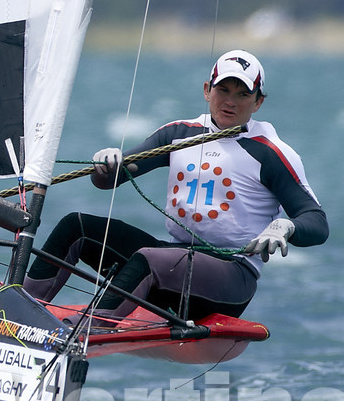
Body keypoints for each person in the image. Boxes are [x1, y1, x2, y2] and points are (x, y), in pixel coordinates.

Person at [21, 49, 327, 322]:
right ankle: (16, 309)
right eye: (223, 89)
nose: (230, 101)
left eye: (243, 94)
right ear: (207, 90)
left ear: (258, 101)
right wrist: (106, 165)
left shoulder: (270, 152)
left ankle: (87, 332)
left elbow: (316, 222)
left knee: (152, 260)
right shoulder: (178, 134)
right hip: (173, 264)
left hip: (231, 278)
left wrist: (284, 227)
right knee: (76, 226)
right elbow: (107, 180)